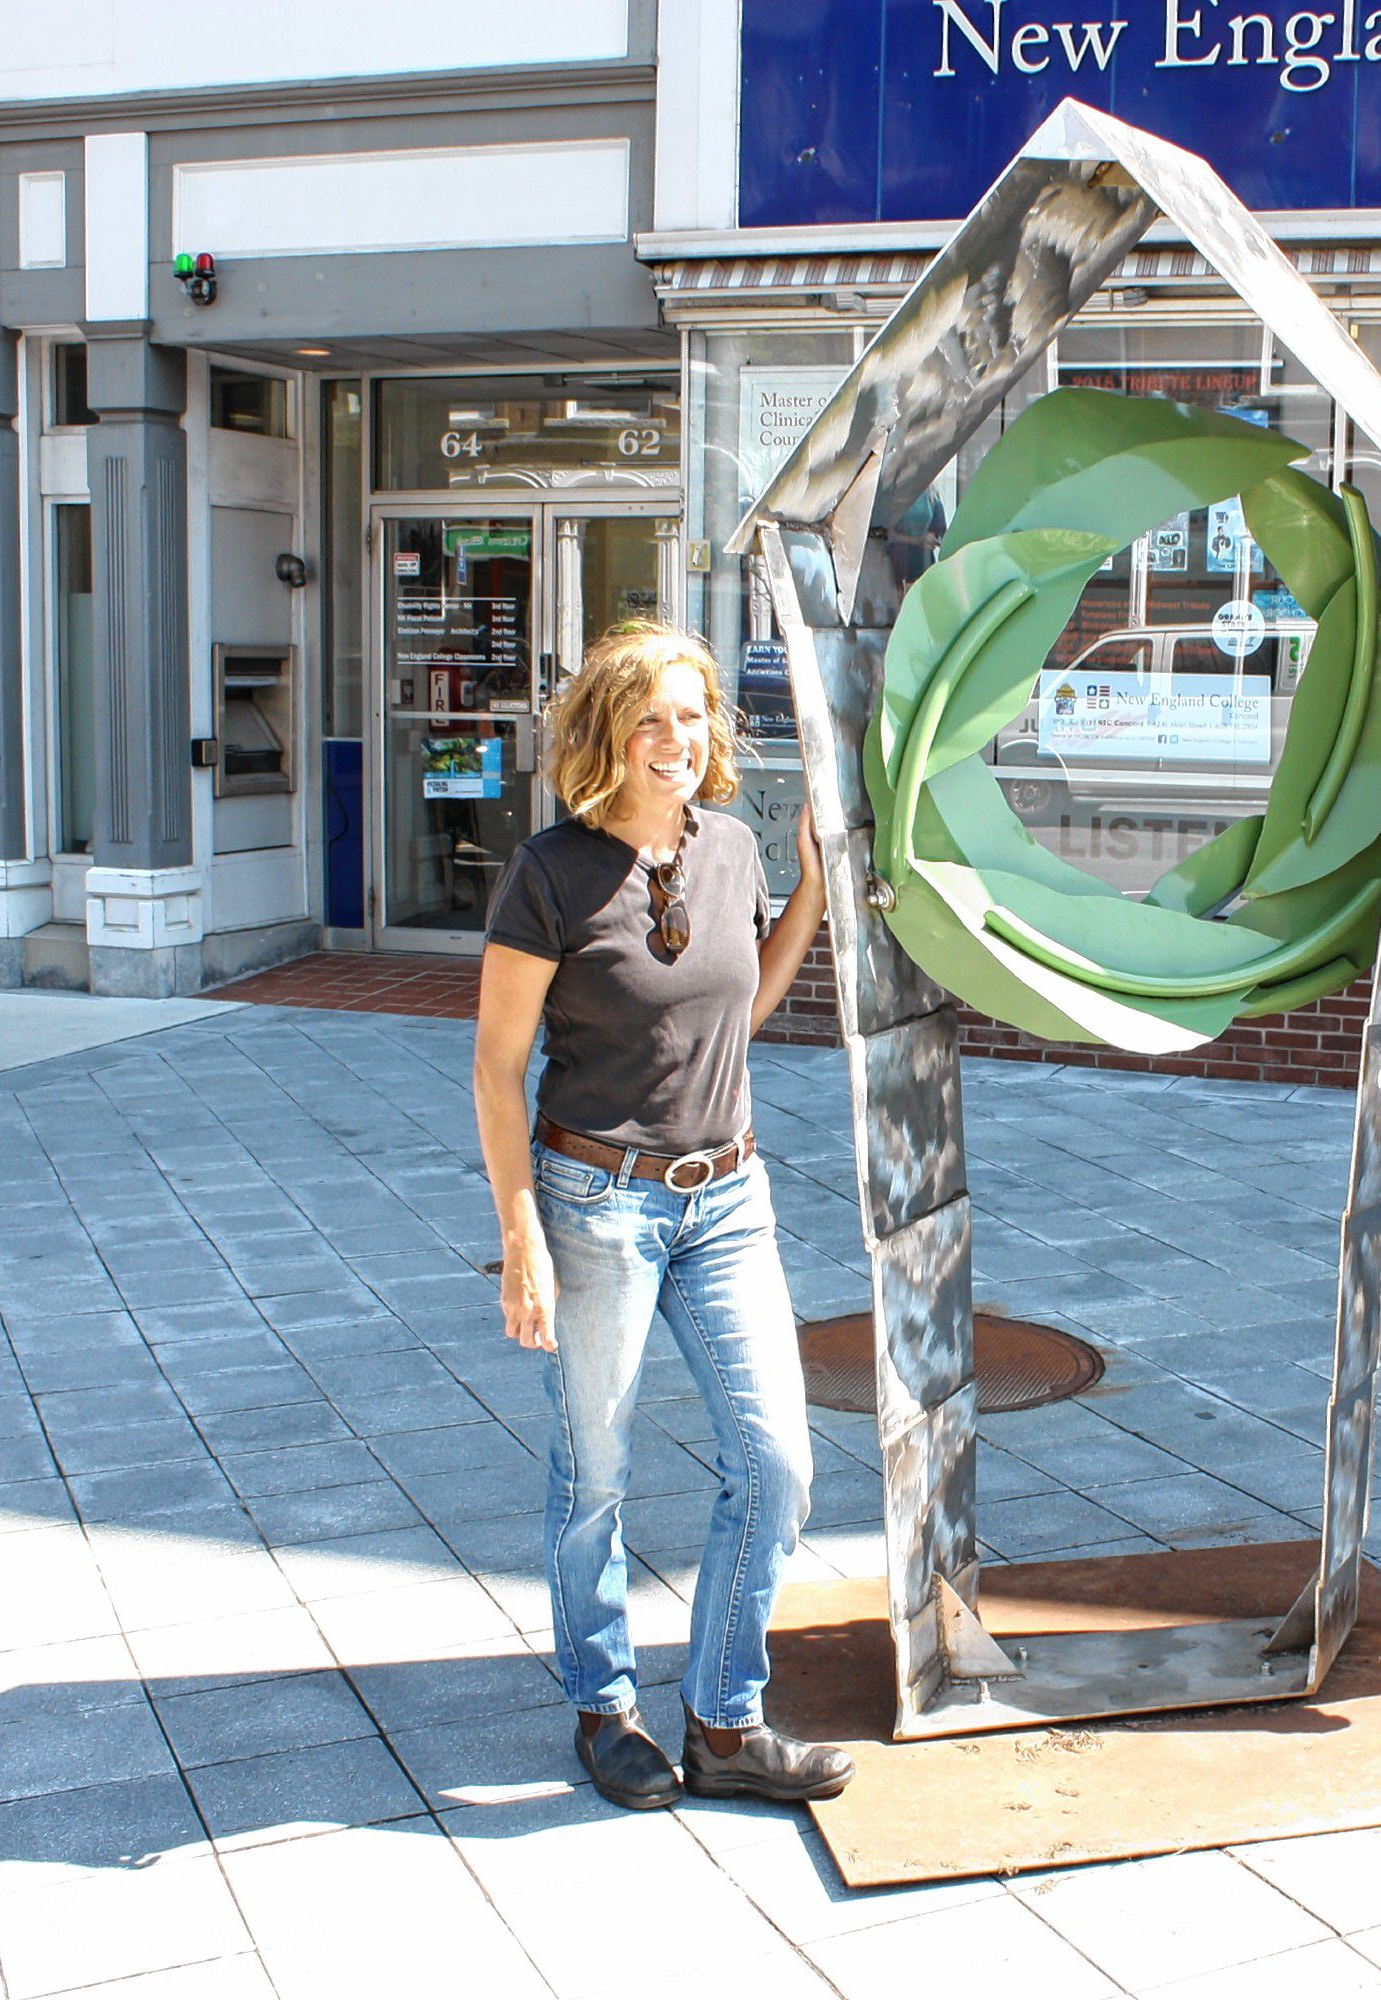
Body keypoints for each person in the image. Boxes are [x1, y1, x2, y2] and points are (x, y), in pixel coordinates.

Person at [468, 621, 850, 1812]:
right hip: (596, 1201)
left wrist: (819, 892)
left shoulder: (731, 847)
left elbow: (747, 998)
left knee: (776, 1459)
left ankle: (726, 1719)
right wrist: (520, 1234)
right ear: (605, 732)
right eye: (647, 717)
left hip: (729, 1193)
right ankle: (605, 1699)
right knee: (597, 1466)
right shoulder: (549, 872)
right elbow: (495, 1069)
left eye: (690, 714)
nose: (672, 738)